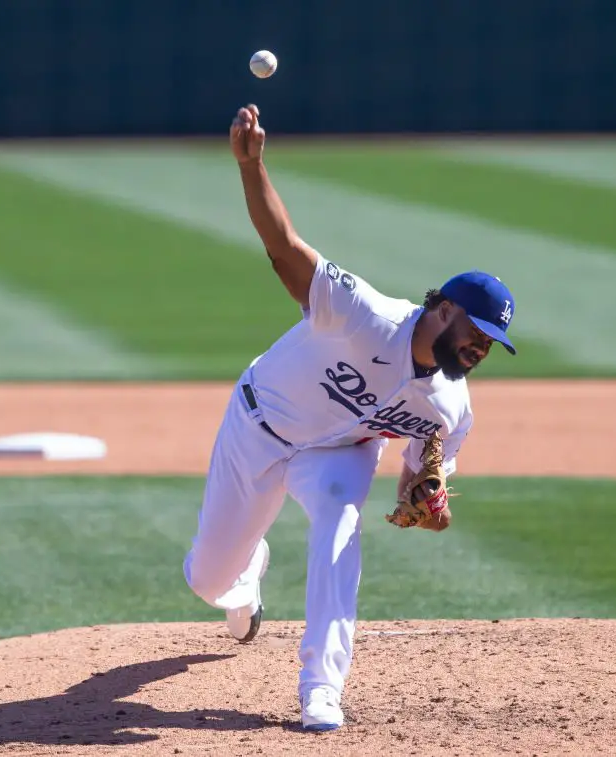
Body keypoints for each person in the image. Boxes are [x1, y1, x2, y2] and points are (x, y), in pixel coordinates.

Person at [182, 104, 518, 732]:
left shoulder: (450, 405)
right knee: (208, 578)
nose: (481, 349)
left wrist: (426, 493)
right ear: (442, 310)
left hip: (336, 455)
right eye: (477, 331)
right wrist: (251, 167)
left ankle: (321, 688)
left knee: (339, 525)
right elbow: (283, 249)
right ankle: (245, 577)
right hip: (259, 425)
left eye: (492, 343)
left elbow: (421, 474)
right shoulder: (361, 313)